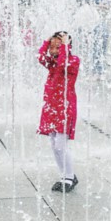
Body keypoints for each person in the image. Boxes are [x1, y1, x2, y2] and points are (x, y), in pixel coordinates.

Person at [37, 32, 80, 192]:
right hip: (52, 107)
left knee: (61, 145)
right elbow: (40, 57)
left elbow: (63, 64)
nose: (53, 50)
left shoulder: (72, 61)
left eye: (57, 46)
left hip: (65, 108)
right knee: (54, 144)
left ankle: (70, 177)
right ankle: (64, 175)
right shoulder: (52, 62)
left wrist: (65, 46)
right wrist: (45, 41)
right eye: (52, 47)